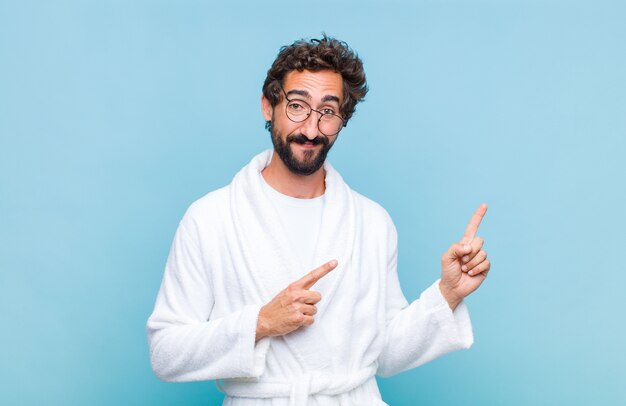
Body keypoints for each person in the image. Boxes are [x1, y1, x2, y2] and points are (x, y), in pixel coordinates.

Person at [147, 35, 491, 405]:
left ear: (343, 120)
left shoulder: (371, 222)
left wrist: (448, 294)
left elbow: (385, 352)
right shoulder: (210, 218)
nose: (311, 129)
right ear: (268, 106)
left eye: (328, 112)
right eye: (297, 106)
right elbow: (165, 353)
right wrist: (260, 323)